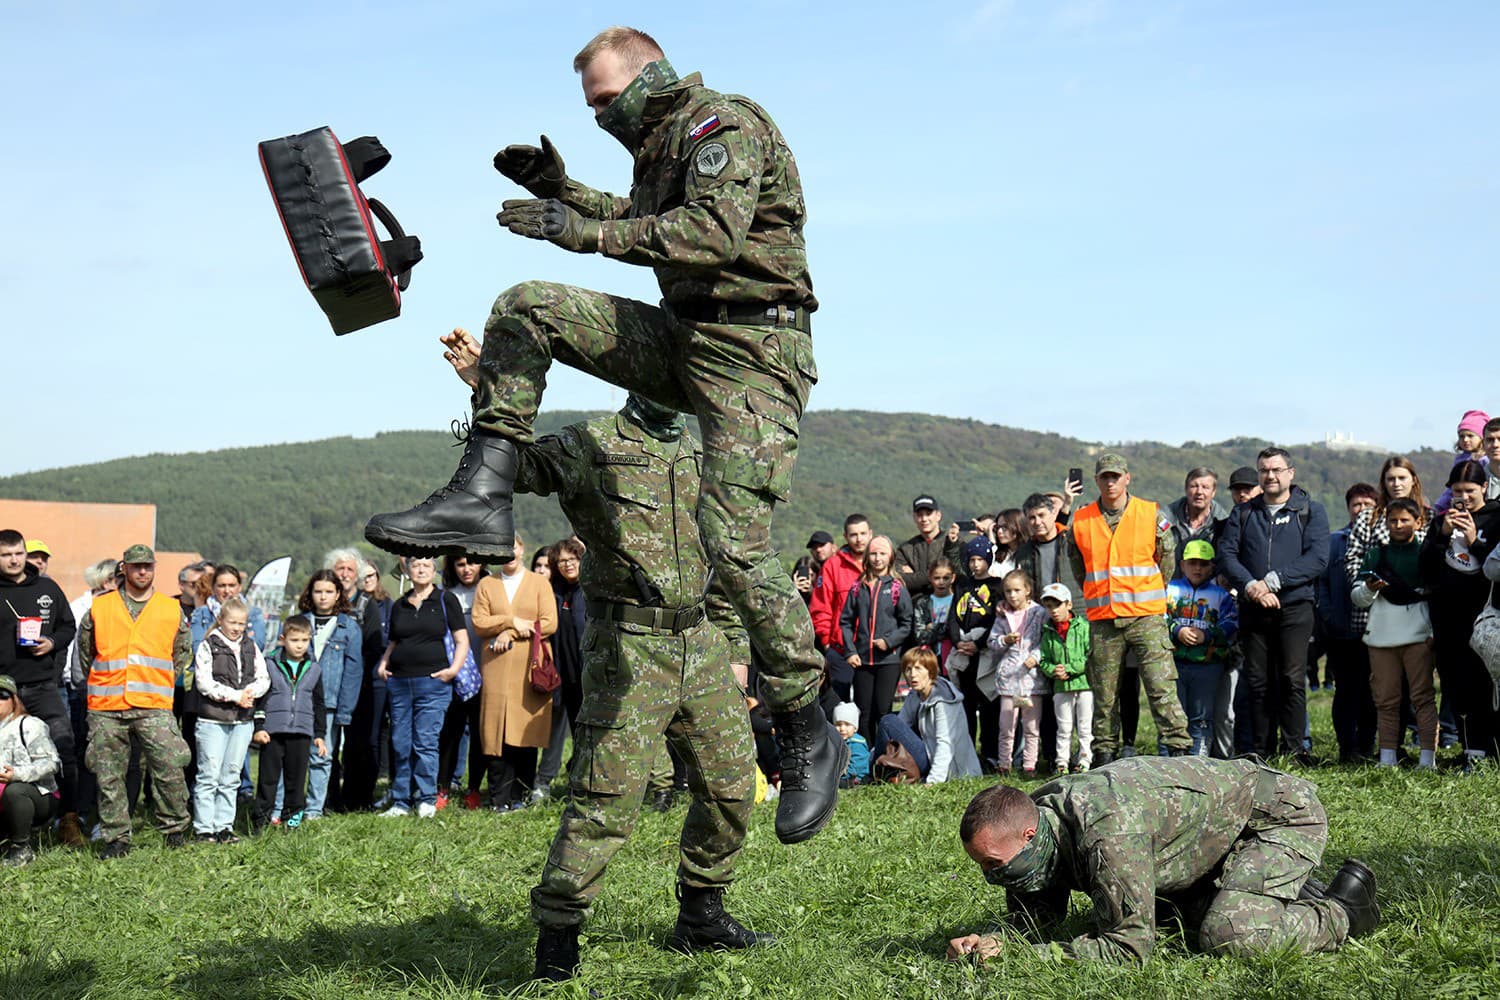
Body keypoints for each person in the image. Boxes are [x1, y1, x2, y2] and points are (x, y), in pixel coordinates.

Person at [364, 24, 840, 847]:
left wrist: (579, 229)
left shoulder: (722, 124)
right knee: (527, 305)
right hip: (684, 335)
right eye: (591, 110)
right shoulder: (657, 148)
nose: (601, 118)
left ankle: (805, 725)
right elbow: (638, 216)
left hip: (755, 350)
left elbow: (708, 236)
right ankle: (482, 492)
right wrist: (571, 192)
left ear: (651, 77)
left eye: (608, 101)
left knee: (730, 541)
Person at [483, 394, 778, 982]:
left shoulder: (704, 454)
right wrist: (489, 390)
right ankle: (559, 939)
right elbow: (514, 468)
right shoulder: (592, 443)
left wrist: (737, 653)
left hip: (702, 644)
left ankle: (702, 912)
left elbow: (722, 557)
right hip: (628, 647)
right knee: (605, 801)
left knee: (732, 785)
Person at [948, 757, 1378, 963]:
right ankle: (1254, 889)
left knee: (1229, 936)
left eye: (993, 863)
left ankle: (1343, 910)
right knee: (1178, 919)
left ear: (1028, 835)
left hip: (1274, 819)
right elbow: (1036, 917)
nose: (991, 875)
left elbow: (1129, 949)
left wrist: (1021, 957)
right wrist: (986, 943)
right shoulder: (1040, 821)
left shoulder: (1109, 830)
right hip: (1206, 839)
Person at [1066, 454, 1191, 763]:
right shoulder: (1081, 520)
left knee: (1160, 687)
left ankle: (1179, 751)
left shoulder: (1150, 513)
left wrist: (1149, 594)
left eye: (1115, 476)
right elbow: (1078, 566)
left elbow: (1167, 560)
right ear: (1097, 480)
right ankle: (1104, 756)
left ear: (1127, 478)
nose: (1111, 482)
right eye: (1105, 476)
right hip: (1104, 620)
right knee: (1105, 696)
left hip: (1146, 617)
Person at [76, 544, 193, 858]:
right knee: (108, 773)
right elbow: (86, 654)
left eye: (148, 566)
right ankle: (117, 837)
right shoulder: (100, 608)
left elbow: (180, 655)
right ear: (123, 569)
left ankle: (175, 829)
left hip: (154, 703)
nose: (143, 571)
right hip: (106, 706)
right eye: (136, 566)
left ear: (154, 569)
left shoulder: (170, 609)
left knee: (170, 765)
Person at [1217, 448, 1330, 762]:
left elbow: (1318, 558)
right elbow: (1226, 555)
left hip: (1295, 606)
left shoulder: (1311, 510)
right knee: (1257, 680)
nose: (1270, 475)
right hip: (1253, 607)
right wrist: (1253, 586)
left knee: (1292, 679)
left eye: (1277, 469)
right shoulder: (1244, 513)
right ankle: (1261, 752)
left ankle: (1296, 750)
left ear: (1290, 473)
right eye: (1264, 470)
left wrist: (1274, 581)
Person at [0, 528, 82, 847]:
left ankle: (69, 820)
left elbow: (67, 626)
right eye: (6, 555)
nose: (14, 560)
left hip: (42, 685)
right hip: (4, 689)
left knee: (64, 747)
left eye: (18, 553)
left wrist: (51, 642)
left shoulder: (47, 587)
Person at [374, 557, 470, 818]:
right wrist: (383, 663)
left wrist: (453, 670)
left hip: (433, 683)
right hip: (400, 682)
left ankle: (426, 797)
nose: (420, 570)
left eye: (426, 566)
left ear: (434, 571)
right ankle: (401, 800)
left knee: (425, 741)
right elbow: (395, 641)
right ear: (407, 570)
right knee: (400, 741)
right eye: (416, 566)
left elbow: (462, 640)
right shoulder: (400, 604)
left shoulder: (445, 600)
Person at [1420, 461, 1500, 766]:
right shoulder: (1441, 521)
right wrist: (1441, 535)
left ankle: (1489, 750)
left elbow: (1494, 567)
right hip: (1447, 617)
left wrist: (1472, 540)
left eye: (1469, 490)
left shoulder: (1495, 518)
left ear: (1483, 488)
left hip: (1482, 616)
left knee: (1484, 683)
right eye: (1457, 491)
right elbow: (1425, 569)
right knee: (1455, 684)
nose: (1463, 497)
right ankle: (1470, 750)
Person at [470, 542, 557, 811]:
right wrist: (509, 621)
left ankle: (520, 795)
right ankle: (499, 799)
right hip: (495, 665)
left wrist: (512, 632)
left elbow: (550, 622)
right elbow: (479, 622)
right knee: (495, 731)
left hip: (529, 666)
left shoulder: (539, 584)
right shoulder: (487, 584)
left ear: (522, 550)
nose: (508, 554)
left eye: (512, 548)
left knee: (525, 732)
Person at [1354, 499, 1438, 769]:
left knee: (1422, 698)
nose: (1398, 525)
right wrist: (1370, 588)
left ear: (1418, 521)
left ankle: (1428, 760)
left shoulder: (1428, 553)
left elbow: (1438, 594)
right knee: (1385, 700)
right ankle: (1387, 758)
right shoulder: (1375, 554)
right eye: (1393, 520)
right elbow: (1358, 597)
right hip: (1380, 637)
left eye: (1404, 520)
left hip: (1418, 636)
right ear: (1385, 522)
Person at [287, 570, 365, 819]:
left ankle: (313, 810)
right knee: (292, 756)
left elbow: (353, 672)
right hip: (296, 700)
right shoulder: (298, 622)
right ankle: (289, 806)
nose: (323, 597)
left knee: (321, 757)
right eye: (318, 591)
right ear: (310, 593)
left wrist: (345, 710)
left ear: (338, 594)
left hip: (330, 703)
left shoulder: (348, 627)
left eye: (329, 592)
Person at [191, 596, 268, 842]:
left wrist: (249, 695)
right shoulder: (209, 645)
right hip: (213, 720)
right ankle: (204, 828)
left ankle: (224, 825)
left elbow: (263, 678)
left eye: (241, 624)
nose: (236, 628)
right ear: (221, 620)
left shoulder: (251, 646)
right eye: (232, 622)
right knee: (209, 775)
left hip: (242, 721)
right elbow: (204, 683)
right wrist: (235, 696)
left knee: (231, 775)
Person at [1316, 484, 1379, 763]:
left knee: (1371, 692)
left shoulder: (1382, 540)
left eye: (1368, 504)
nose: (1362, 510)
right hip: (1341, 631)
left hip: (1376, 631)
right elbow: (1323, 583)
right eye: (1356, 505)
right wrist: (1328, 616)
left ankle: (1367, 746)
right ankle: (1346, 748)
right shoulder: (1334, 541)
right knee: (1344, 691)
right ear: (1348, 508)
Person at [251, 617, 327, 831]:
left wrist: (319, 734)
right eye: (294, 640)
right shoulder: (270, 665)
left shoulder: (314, 669)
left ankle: (292, 823)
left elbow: (319, 703)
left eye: (304, 640)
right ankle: (261, 824)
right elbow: (260, 699)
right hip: (273, 733)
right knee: (268, 781)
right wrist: (259, 728)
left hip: (301, 733)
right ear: (283, 639)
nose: (300, 645)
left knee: (296, 782)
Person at [1166, 541, 1239, 757]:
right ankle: (1168, 762)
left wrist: (1206, 634)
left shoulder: (1221, 595)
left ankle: (1199, 762)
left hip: (1207, 665)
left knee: (1202, 717)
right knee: (1173, 715)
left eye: (1203, 564)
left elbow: (1231, 624)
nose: (1198, 568)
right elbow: (1159, 618)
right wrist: (1177, 630)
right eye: (1192, 563)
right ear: (1182, 564)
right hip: (1174, 662)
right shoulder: (1171, 590)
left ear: (1212, 567)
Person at [838, 535, 912, 749]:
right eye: (873, 553)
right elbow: (845, 622)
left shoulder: (897, 587)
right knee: (864, 711)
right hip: (861, 660)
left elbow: (907, 623)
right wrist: (850, 651)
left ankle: (887, 755)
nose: (878, 558)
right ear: (867, 557)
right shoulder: (857, 587)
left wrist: (889, 642)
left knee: (883, 710)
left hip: (888, 660)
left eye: (882, 554)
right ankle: (866, 757)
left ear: (890, 557)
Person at [875, 647, 983, 784]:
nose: (912, 674)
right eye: (908, 669)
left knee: (888, 721)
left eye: (918, 668)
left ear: (931, 672)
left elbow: (945, 744)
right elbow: (901, 724)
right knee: (894, 720)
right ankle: (882, 769)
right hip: (928, 752)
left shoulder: (944, 700)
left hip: (952, 769)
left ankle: (872, 772)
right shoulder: (915, 694)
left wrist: (933, 781)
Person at [535, 537, 586, 799]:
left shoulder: (588, 591)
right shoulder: (553, 592)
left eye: (572, 559)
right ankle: (543, 782)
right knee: (553, 733)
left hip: (584, 676)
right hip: (558, 676)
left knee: (583, 734)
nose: (567, 565)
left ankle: (579, 784)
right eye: (562, 561)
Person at [437, 554, 489, 809]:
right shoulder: (447, 594)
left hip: (486, 673)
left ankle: (474, 789)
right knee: (450, 733)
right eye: (460, 564)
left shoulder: (490, 588)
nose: (467, 569)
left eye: (472, 563)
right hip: (456, 675)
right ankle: (443, 788)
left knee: (480, 735)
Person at [984, 570, 1047, 777]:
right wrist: (1005, 641)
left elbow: (1046, 641)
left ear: (1027, 590)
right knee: (1006, 725)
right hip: (1009, 678)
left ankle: (1029, 765)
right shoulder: (1003, 616)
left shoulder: (1039, 613)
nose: (1012, 595)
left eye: (1017, 590)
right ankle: (1004, 764)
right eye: (1008, 591)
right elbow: (992, 642)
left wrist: (1036, 657)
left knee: (1031, 726)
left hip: (1031, 679)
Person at [946, 537, 1001, 766]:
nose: (975, 564)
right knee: (966, 704)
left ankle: (990, 752)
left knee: (988, 704)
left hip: (985, 652)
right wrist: (958, 640)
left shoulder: (997, 585)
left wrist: (979, 644)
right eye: (972, 559)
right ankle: (968, 752)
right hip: (963, 651)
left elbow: (997, 619)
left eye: (980, 559)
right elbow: (952, 616)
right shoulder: (962, 585)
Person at [0, 674, 62, 865]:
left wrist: (16, 774)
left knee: (15, 791)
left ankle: (21, 848)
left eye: (2, 695)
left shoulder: (30, 725)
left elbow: (53, 763)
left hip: (38, 794)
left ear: (14, 700)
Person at [810, 514, 872, 702]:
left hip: (873, 650)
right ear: (845, 537)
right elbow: (821, 607)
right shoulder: (832, 565)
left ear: (870, 534)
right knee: (840, 708)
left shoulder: (881, 562)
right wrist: (828, 643)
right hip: (841, 649)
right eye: (854, 534)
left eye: (863, 533)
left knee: (870, 709)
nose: (859, 539)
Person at [1036, 584, 1091, 773]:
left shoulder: (1083, 627)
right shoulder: (1048, 632)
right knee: (1064, 727)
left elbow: (1090, 656)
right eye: (1049, 605)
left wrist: (1069, 668)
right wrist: (1053, 670)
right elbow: (1044, 660)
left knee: (1084, 726)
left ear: (1068, 604)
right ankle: (1062, 762)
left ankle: (1085, 760)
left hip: (1084, 685)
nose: (1053, 610)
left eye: (1057, 604)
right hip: (1061, 687)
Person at [896, 494, 963, 597]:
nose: (924, 519)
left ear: (938, 516)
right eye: (920, 515)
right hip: (916, 606)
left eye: (928, 514)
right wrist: (940, 574)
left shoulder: (953, 543)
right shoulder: (905, 549)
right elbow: (900, 580)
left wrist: (916, 576)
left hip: (949, 604)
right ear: (914, 517)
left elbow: (959, 576)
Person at [1164, 467, 1230, 568]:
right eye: (1194, 486)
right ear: (1186, 489)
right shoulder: (1164, 520)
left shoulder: (1225, 525)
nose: (1199, 492)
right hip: (1170, 583)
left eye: (1205, 487)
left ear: (1213, 492)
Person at [911, 558, 958, 664]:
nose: (941, 582)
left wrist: (932, 627)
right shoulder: (923, 603)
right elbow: (920, 636)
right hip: (928, 656)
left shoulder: (958, 601)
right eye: (937, 578)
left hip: (954, 656)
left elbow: (957, 633)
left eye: (946, 578)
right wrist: (944, 628)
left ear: (953, 578)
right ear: (930, 578)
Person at [325, 547, 369, 622]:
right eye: (341, 568)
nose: (345, 574)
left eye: (350, 570)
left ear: (357, 575)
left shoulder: (368, 604)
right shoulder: (323, 600)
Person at [832, 701, 870, 786]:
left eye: (847, 724)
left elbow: (856, 767)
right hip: (841, 773)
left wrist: (838, 776)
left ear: (855, 728)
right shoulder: (835, 740)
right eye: (838, 724)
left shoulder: (857, 744)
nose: (842, 728)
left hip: (856, 777)